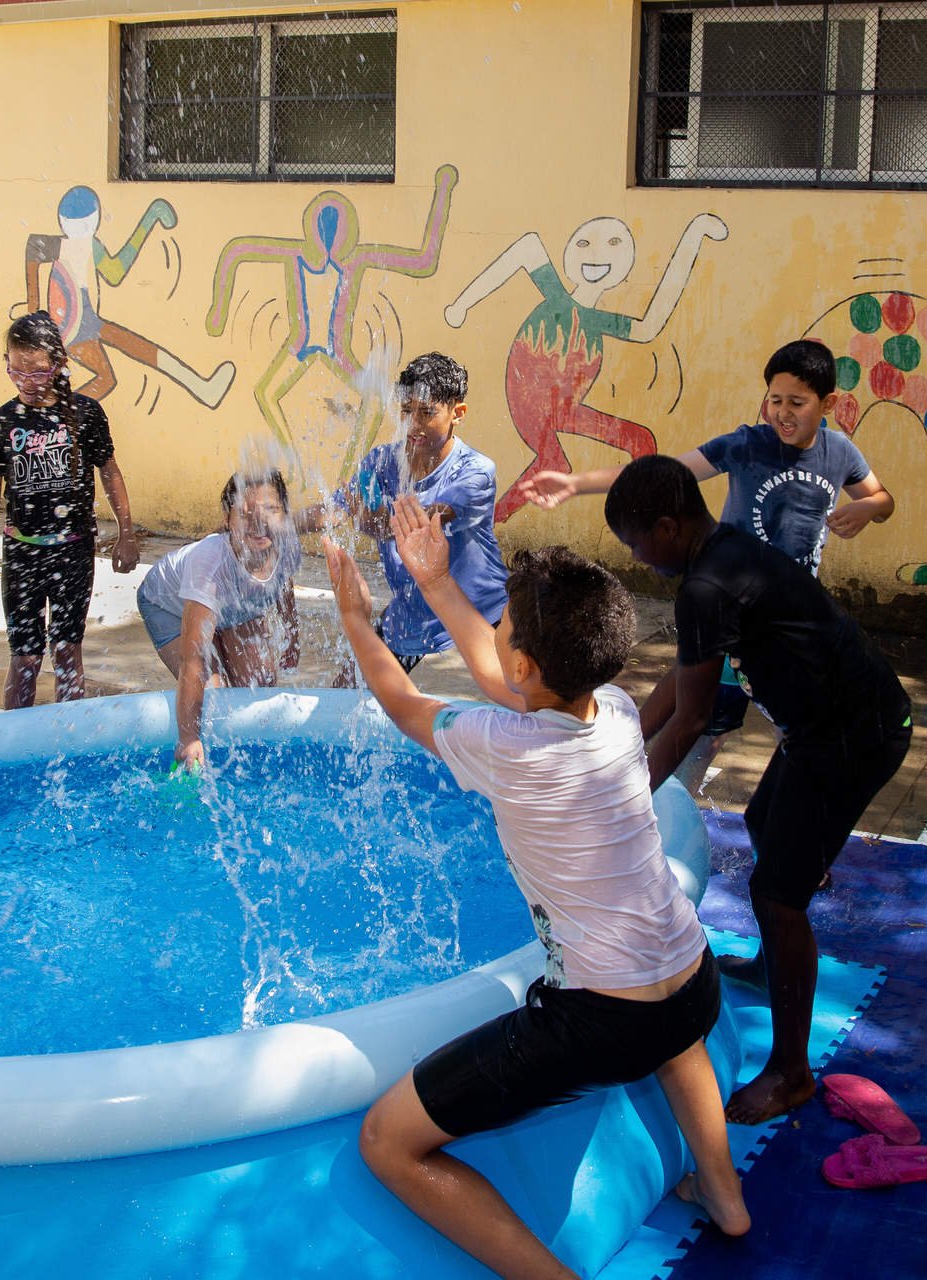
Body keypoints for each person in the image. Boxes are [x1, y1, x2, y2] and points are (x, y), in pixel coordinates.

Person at [329, 496, 749, 1277]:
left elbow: (401, 702)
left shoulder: (502, 748)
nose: (496, 638)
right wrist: (438, 580)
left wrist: (359, 620)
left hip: (601, 1023)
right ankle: (724, 1194)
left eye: (503, 626)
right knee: (670, 1017)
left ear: (523, 662)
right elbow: (510, 682)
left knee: (386, 1141)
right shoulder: (618, 711)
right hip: (697, 983)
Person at [604, 455, 913, 1125]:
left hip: (854, 735)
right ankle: (775, 957)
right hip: (829, 727)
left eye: (636, 542)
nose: (635, 556)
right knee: (762, 820)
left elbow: (690, 719)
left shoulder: (707, 585)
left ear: (666, 525)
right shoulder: (722, 553)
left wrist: (622, 804)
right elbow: (683, 683)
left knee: (776, 895)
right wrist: (623, 737)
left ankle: (792, 1072)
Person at [509, 339, 895, 776]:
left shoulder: (840, 453)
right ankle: (651, 787)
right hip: (733, 609)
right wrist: (578, 483)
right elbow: (665, 471)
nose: (783, 413)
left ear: (828, 403)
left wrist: (868, 507)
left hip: (790, 622)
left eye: (797, 403)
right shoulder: (746, 445)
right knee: (703, 718)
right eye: (775, 400)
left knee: (796, 725)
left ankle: (639, 783)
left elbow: (882, 499)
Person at [0, 311, 138, 708]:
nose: (27, 382)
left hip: (73, 551)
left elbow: (110, 474)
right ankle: (15, 743)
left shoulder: (86, 415)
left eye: (37, 372)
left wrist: (127, 533)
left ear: (58, 364)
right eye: (17, 371)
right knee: (25, 656)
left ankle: (72, 737)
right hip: (22, 554)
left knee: (67, 651)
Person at [303, 352, 508, 677]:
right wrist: (275, 522)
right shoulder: (381, 463)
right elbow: (336, 510)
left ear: (458, 413)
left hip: (479, 612)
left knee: (515, 698)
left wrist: (372, 520)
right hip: (413, 612)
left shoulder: (475, 472)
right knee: (349, 687)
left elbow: (425, 525)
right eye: (405, 411)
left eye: (427, 413)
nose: (413, 423)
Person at [137, 470, 302, 768]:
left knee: (259, 684)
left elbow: (283, 585)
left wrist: (292, 638)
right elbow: (193, 659)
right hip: (168, 607)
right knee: (215, 697)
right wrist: (188, 738)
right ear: (228, 518)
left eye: (270, 510)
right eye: (245, 513)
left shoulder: (287, 545)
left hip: (230, 606)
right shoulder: (209, 563)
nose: (259, 522)